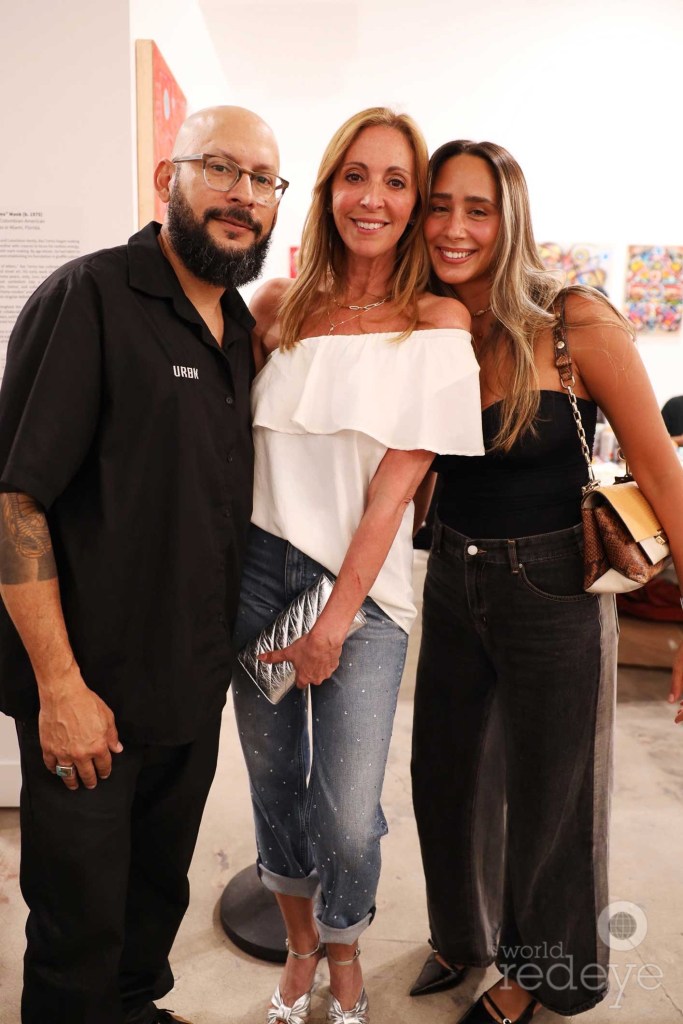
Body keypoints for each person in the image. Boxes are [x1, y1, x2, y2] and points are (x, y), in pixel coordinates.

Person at [0, 105, 285, 1024]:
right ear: (169, 177)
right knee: (77, 927)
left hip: (187, 691)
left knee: (152, 900)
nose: (243, 195)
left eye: (263, 180)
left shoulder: (237, 330)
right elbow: (15, 503)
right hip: (89, 697)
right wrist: (60, 689)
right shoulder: (90, 298)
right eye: (221, 168)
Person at [409, 139, 683, 1022]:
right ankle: (462, 936)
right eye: (439, 205)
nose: (454, 227)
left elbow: (660, 469)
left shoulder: (573, 319)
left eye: (477, 209)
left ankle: (539, 972)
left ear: (510, 218)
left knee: (553, 796)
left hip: (554, 584)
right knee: (445, 776)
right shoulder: (425, 324)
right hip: (451, 573)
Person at [231, 107, 484, 1024]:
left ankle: (345, 946)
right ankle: (301, 950)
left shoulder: (436, 323)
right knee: (273, 786)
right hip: (258, 575)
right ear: (328, 187)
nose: (371, 198)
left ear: (414, 204)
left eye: (394, 181)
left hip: (364, 597)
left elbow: (392, 493)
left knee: (344, 810)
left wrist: (334, 621)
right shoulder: (274, 309)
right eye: (354, 175)